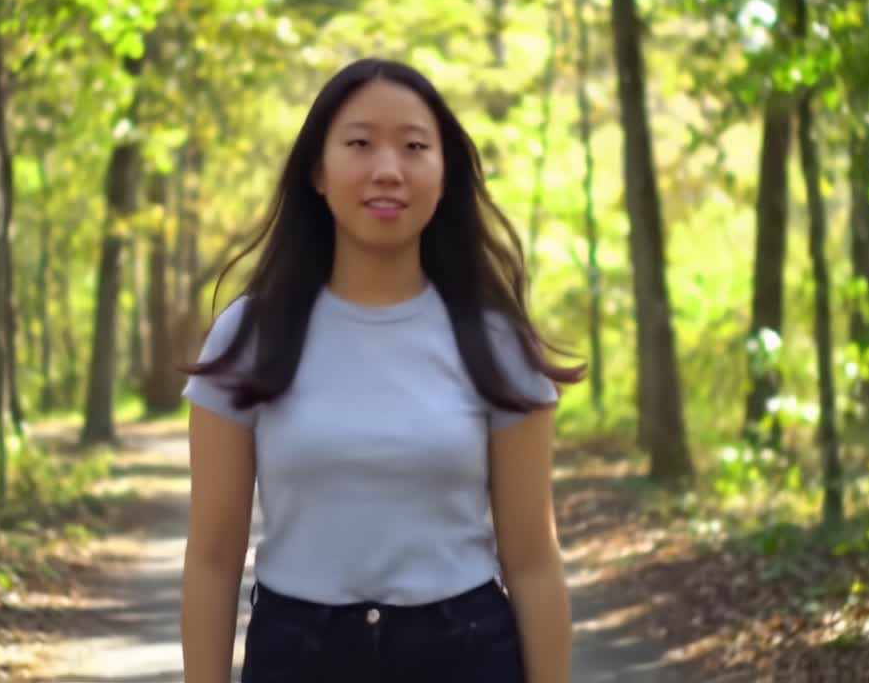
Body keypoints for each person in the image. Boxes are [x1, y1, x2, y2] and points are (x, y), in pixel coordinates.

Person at [179, 57, 585, 683]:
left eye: (415, 147)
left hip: (465, 653)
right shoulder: (252, 333)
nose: (388, 170)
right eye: (360, 144)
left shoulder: (494, 339)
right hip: (298, 657)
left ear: (444, 174)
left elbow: (533, 559)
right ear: (318, 171)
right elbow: (212, 557)